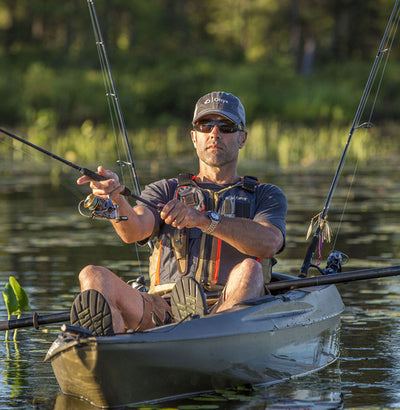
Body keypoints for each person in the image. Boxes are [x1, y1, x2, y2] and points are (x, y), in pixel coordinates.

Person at [70, 91, 287, 336]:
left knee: (251, 269)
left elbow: (269, 242)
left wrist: (204, 219)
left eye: (226, 127)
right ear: (194, 137)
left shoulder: (265, 194)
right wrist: (116, 198)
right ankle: (106, 351)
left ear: (242, 137)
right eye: (205, 126)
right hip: (163, 309)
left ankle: (206, 331)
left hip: (229, 309)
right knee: (92, 276)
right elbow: (134, 230)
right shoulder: (167, 189)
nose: (214, 133)